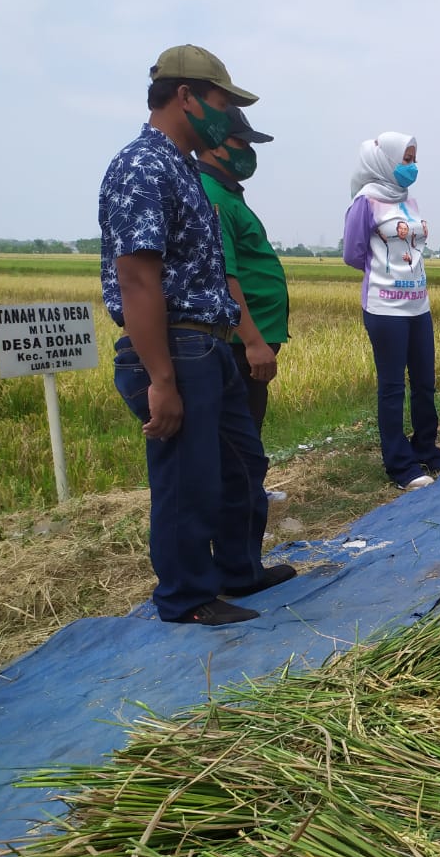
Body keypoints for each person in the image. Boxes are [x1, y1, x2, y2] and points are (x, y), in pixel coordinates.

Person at [99, 44, 296, 627]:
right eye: (220, 101)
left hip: (210, 344)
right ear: (184, 96)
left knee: (240, 464)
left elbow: (209, 272)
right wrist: (160, 378)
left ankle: (239, 570)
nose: (226, 114)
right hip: (175, 348)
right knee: (189, 479)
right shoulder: (143, 165)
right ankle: (185, 597)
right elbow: (137, 278)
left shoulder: (184, 167)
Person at [343, 132, 440, 490]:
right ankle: (399, 464)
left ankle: (427, 449)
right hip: (384, 308)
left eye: (413, 158)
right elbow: (353, 253)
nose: (411, 166)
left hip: (419, 305)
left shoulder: (408, 201)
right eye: (405, 159)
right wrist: (387, 277)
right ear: (385, 161)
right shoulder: (366, 202)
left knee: (424, 383)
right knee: (392, 388)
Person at [196, 105, 289, 435]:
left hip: (250, 339)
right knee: (239, 431)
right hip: (239, 343)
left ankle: (252, 488)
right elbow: (224, 274)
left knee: (249, 424)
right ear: (216, 143)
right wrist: (252, 342)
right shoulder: (212, 194)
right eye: (243, 144)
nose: (249, 153)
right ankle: (245, 488)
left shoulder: (228, 193)